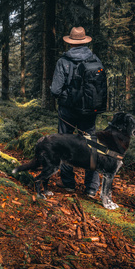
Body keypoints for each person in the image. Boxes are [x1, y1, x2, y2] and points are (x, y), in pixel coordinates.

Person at [50, 26, 104, 198]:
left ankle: (68, 183)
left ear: (70, 42)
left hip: (67, 110)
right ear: (85, 41)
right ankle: (91, 187)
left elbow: (55, 90)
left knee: (65, 143)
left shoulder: (63, 61)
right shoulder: (94, 59)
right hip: (89, 111)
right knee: (92, 146)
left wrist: (68, 95)